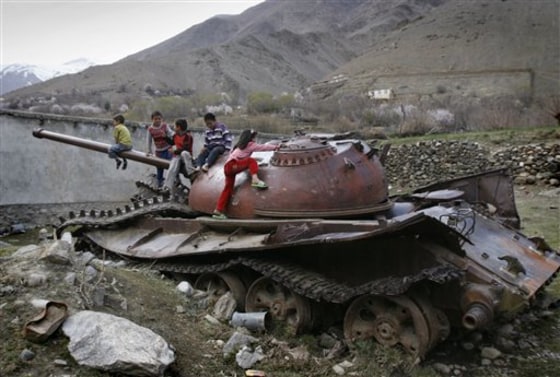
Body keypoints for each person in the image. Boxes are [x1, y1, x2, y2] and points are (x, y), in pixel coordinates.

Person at [212, 129, 279, 219]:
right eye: (253, 137)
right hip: (232, 166)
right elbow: (263, 147)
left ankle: (218, 211)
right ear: (250, 138)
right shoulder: (250, 145)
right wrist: (276, 147)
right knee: (251, 161)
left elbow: (240, 158)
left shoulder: (238, 146)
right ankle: (255, 180)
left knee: (227, 189)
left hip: (228, 167)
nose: (255, 139)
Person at [162, 118, 195, 194]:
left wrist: (175, 151)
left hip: (186, 156)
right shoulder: (175, 136)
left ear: (179, 127)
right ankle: (167, 187)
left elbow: (185, 148)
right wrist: (165, 138)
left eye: (175, 126)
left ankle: (191, 172)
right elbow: (172, 143)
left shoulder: (188, 137)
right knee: (172, 168)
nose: (173, 128)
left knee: (184, 153)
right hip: (177, 156)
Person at [146, 110, 174, 187]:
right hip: (159, 152)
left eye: (159, 119)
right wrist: (149, 151)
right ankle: (160, 183)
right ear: (152, 120)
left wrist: (174, 135)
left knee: (172, 166)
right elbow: (148, 141)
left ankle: (173, 181)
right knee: (159, 168)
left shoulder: (164, 126)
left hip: (168, 149)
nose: (158, 120)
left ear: (162, 119)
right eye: (155, 119)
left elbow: (171, 133)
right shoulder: (150, 129)